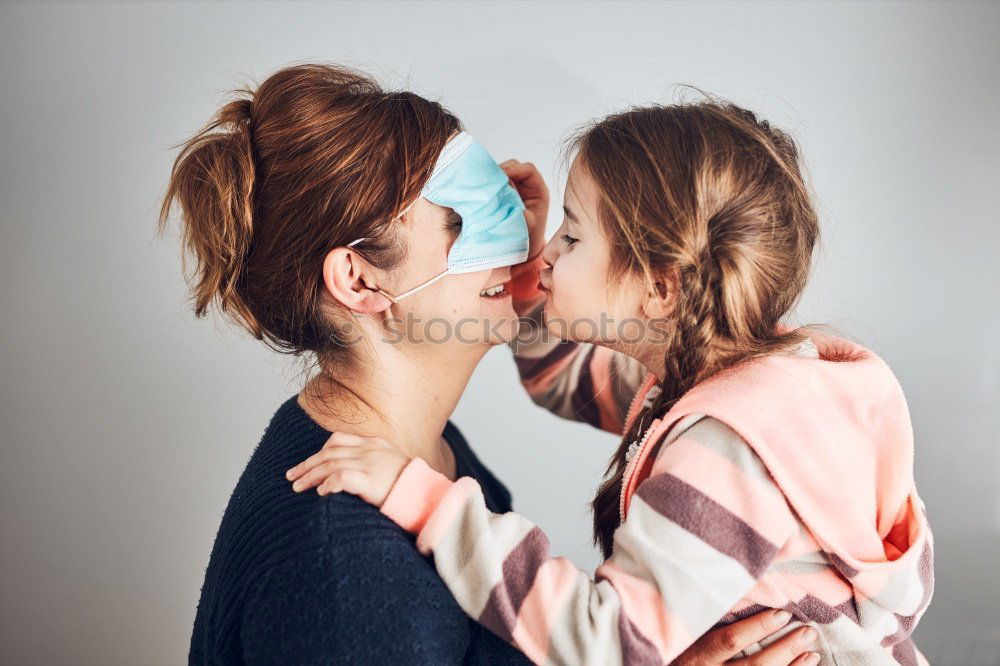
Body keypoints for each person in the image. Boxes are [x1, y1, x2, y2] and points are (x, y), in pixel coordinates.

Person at [162, 64, 803, 665]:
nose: (520, 239)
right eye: (460, 221)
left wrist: (521, 284)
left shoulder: (420, 449)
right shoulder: (349, 576)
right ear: (358, 281)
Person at [288, 98, 934, 665]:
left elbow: (609, 645)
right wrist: (525, 287)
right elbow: (565, 382)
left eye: (571, 234)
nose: (543, 254)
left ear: (659, 287)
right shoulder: (734, 385)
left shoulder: (727, 449)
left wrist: (428, 503)